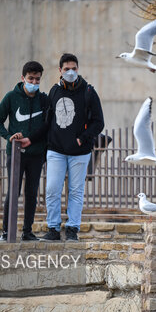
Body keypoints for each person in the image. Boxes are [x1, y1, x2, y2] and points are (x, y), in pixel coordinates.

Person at [40, 53, 104, 241]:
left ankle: (72, 230)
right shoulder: (54, 91)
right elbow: (47, 120)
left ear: (78, 69)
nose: (70, 72)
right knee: (52, 189)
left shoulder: (88, 91)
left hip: (80, 152)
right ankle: (53, 229)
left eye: (73, 69)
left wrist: (82, 138)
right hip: (56, 150)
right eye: (66, 69)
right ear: (60, 70)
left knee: (76, 192)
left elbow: (98, 122)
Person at [0, 61, 48, 242]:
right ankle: (6, 232)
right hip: (15, 154)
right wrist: (8, 136)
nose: (34, 82)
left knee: (31, 193)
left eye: (37, 79)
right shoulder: (11, 97)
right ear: (23, 78)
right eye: (31, 78)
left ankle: (27, 232)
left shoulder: (44, 100)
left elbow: (47, 126)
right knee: (13, 192)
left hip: (37, 154)